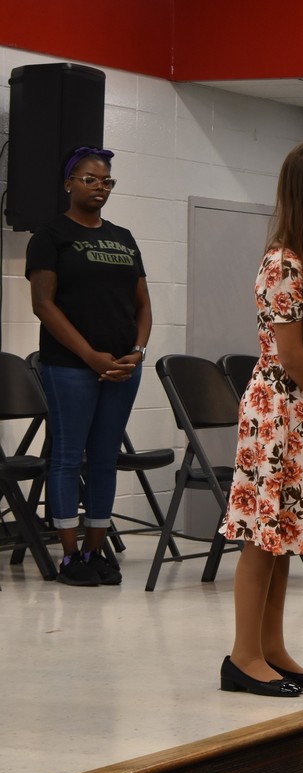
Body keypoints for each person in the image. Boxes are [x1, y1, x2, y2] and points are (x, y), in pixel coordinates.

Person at [219, 143, 303, 697]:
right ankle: (242, 655)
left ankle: (273, 648)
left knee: (286, 536)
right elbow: (293, 355)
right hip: (278, 410)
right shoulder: (284, 261)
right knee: (260, 534)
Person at [26, 145, 152, 586]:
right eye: (90, 179)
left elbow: (143, 305)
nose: (100, 187)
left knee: (104, 458)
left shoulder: (123, 237)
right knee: (66, 457)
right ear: (68, 184)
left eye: (107, 181)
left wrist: (137, 352)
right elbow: (43, 304)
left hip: (122, 366)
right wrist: (89, 355)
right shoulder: (50, 235)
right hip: (70, 366)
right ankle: (69, 556)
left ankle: (98, 551)